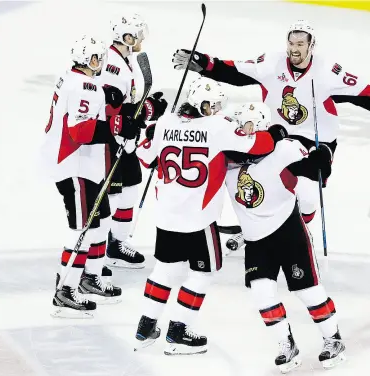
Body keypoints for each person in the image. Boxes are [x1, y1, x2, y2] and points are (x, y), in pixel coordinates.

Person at [172, 19, 370, 247]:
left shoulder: (327, 71)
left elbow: (362, 92)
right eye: (291, 43)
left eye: (300, 44)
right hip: (278, 135)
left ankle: (299, 233)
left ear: (311, 45)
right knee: (248, 175)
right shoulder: (271, 63)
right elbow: (236, 71)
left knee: (307, 195)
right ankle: (260, 225)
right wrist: (204, 63)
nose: (294, 49)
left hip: (317, 142)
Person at [132, 77, 287, 355]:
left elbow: (145, 157)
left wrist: (153, 134)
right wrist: (275, 134)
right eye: (212, 105)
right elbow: (257, 146)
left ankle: (145, 328)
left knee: (165, 270)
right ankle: (178, 332)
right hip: (199, 219)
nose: (216, 109)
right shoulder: (217, 126)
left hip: (166, 215)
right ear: (201, 104)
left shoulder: (165, 123)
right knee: (204, 272)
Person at [224, 102, 345, 371]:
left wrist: (321, 161)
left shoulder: (284, 150)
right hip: (256, 240)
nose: (237, 132)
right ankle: (286, 344)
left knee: (308, 290)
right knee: (262, 294)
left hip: (288, 233)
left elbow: (313, 172)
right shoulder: (227, 159)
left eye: (242, 126)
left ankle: (332, 339)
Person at [40, 36, 144, 318]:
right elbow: (81, 132)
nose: (102, 63)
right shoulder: (86, 87)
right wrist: (117, 129)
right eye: (99, 58)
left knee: (100, 223)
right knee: (82, 229)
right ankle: (65, 290)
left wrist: (117, 118)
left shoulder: (72, 78)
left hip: (84, 166)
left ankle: (88, 279)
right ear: (92, 61)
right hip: (74, 168)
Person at [101, 13, 168, 269]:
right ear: (127, 38)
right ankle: (98, 251)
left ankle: (116, 245)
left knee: (129, 193)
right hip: (110, 142)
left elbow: (127, 106)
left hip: (125, 140)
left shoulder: (125, 59)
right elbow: (111, 110)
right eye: (138, 35)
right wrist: (144, 111)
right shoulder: (111, 66)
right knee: (113, 198)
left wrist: (148, 108)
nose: (141, 39)